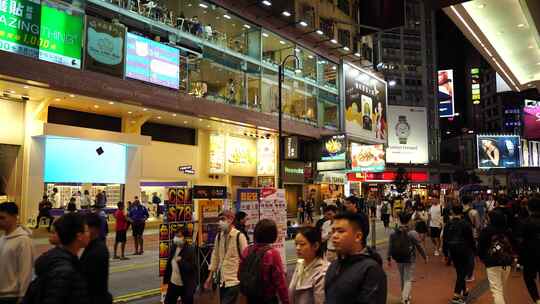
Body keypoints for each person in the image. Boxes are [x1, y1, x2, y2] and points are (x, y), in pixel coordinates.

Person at [24, 213, 91, 304]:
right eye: (86, 230)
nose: (89, 234)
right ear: (79, 236)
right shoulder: (64, 270)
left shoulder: (58, 259)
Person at [325, 212, 387, 304]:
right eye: (333, 231)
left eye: (340, 231)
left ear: (358, 236)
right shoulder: (334, 265)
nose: (334, 236)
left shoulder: (371, 270)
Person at [239, 219, 288, 304]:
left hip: (250, 298)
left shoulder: (247, 250)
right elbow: (280, 283)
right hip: (268, 298)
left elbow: (240, 273)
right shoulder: (272, 253)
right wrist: (286, 301)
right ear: (272, 235)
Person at [204, 211, 248, 304]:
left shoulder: (239, 236)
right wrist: (210, 277)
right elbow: (215, 256)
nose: (220, 222)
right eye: (219, 220)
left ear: (231, 220)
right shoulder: (219, 236)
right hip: (222, 280)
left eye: (223, 219)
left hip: (234, 281)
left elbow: (246, 258)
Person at [387, 212, 427, 304]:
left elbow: (390, 246)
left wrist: (388, 258)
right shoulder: (412, 233)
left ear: (399, 220)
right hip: (410, 259)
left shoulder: (393, 232)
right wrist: (425, 256)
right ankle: (405, 298)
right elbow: (419, 246)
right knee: (408, 278)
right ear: (409, 221)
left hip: (398, 258)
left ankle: (405, 296)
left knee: (402, 278)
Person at [0, 202, 34, 304]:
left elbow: (26, 270)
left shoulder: (23, 241)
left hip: (11, 296)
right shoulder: (2, 238)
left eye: (2, 218)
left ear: (14, 217)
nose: (0, 221)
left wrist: (22, 296)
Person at [478, 210, 514, 304]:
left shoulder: (486, 230)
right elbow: (514, 245)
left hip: (492, 262)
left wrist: (484, 259)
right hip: (507, 262)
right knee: (501, 287)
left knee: (496, 290)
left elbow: (480, 247)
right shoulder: (508, 230)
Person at [442, 205, 476, 304]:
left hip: (452, 250)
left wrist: (445, 253)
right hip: (464, 250)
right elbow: (471, 239)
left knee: (459, 271)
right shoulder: (465, 224)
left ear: (452, 212)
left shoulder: (448, 224)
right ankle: (456, 296)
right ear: (462, 212)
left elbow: (445, 238)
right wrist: (474, 250)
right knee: (462, 272)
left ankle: (464, 291)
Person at [289, 226, 328, 304]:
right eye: (296, 244)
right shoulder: (301, 263)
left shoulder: (323, 272)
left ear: (315, 246)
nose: (297, 248)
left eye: (302, 244)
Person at [80, 213, 113, 304]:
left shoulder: (97, 251)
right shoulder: (92, 246)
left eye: (84, 229)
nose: (81, 233)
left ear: (93, 229)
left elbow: (89, 283)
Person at [163, 227, 197, 304]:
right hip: (173, 283)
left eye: (179, 236)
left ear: (184, 238)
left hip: (185, 285)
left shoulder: (190, 250)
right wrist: (166, 280)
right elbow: (169, 265)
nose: (176, 238)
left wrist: (181, 261)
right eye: (176, 236)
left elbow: (191, 268)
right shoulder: (174, 247)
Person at [518, 196, 540, 304]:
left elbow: (521, 242)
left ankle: (537, 299)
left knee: (529, 279)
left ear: (529, 208)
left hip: (530, 255)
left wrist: (519, 260)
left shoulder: (525, 222)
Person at [462, 195, 482, 282]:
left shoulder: (459, 211)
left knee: (464, 255)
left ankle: (465, 273)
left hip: (461, 236)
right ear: (470, 202)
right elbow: (478, 226)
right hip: (472, 236)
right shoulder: (474, 212)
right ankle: (470, 274)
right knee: (471, 256)